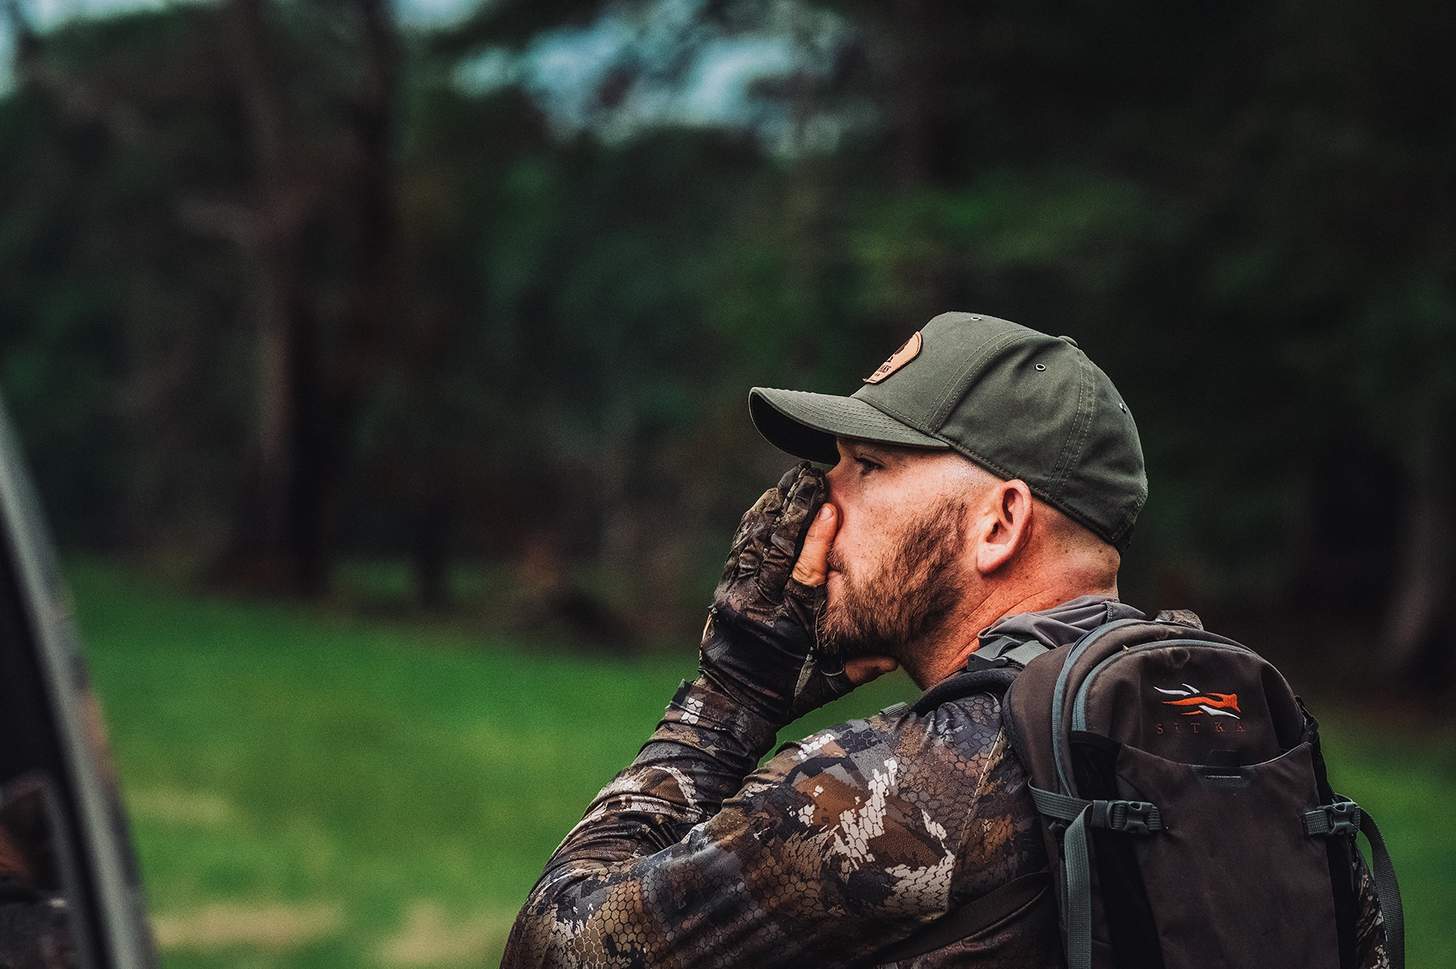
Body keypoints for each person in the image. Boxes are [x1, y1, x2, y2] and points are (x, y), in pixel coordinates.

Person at [500, 312, 1388, 968]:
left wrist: (734, 691)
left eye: (870, 467)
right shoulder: (1251, 740)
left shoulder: (915, 784)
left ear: (1000, 520)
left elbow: (558, 946)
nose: (817, 501)